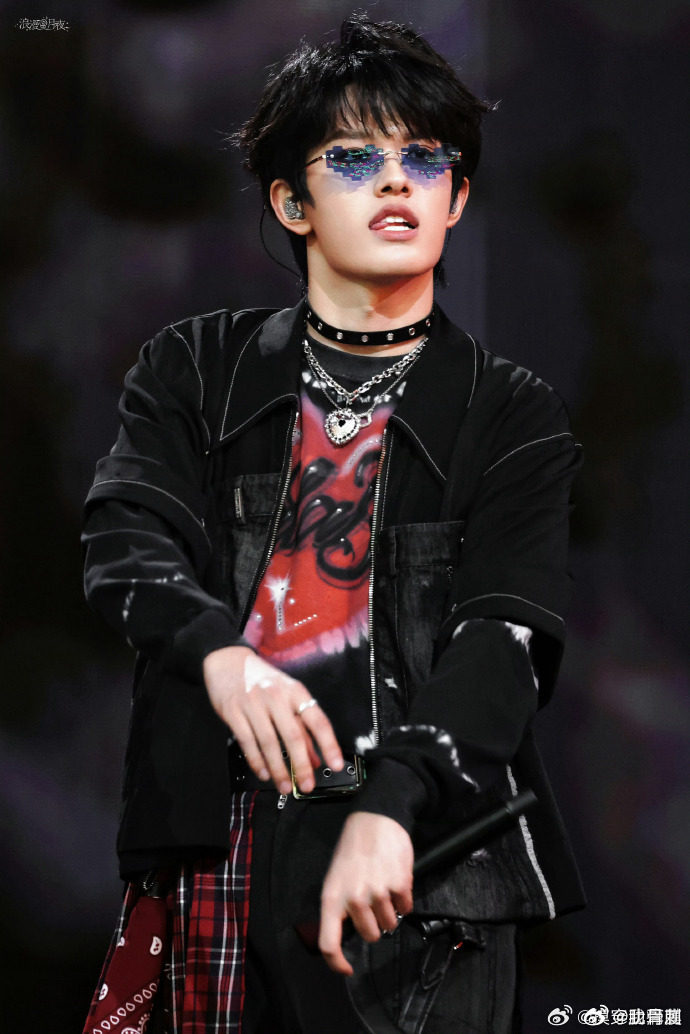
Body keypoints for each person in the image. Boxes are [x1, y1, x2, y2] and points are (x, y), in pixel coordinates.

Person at [81, 15, 585, 1034]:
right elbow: (126, 538)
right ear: (291, 202)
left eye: (424, 159)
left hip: (421, 868)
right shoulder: (198, 368)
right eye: (355, 158)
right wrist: (222, 655)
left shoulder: (510, 412)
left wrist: (394, 801)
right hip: (218, 846)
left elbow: (505, 638)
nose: (397, 181)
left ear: (458, 197)